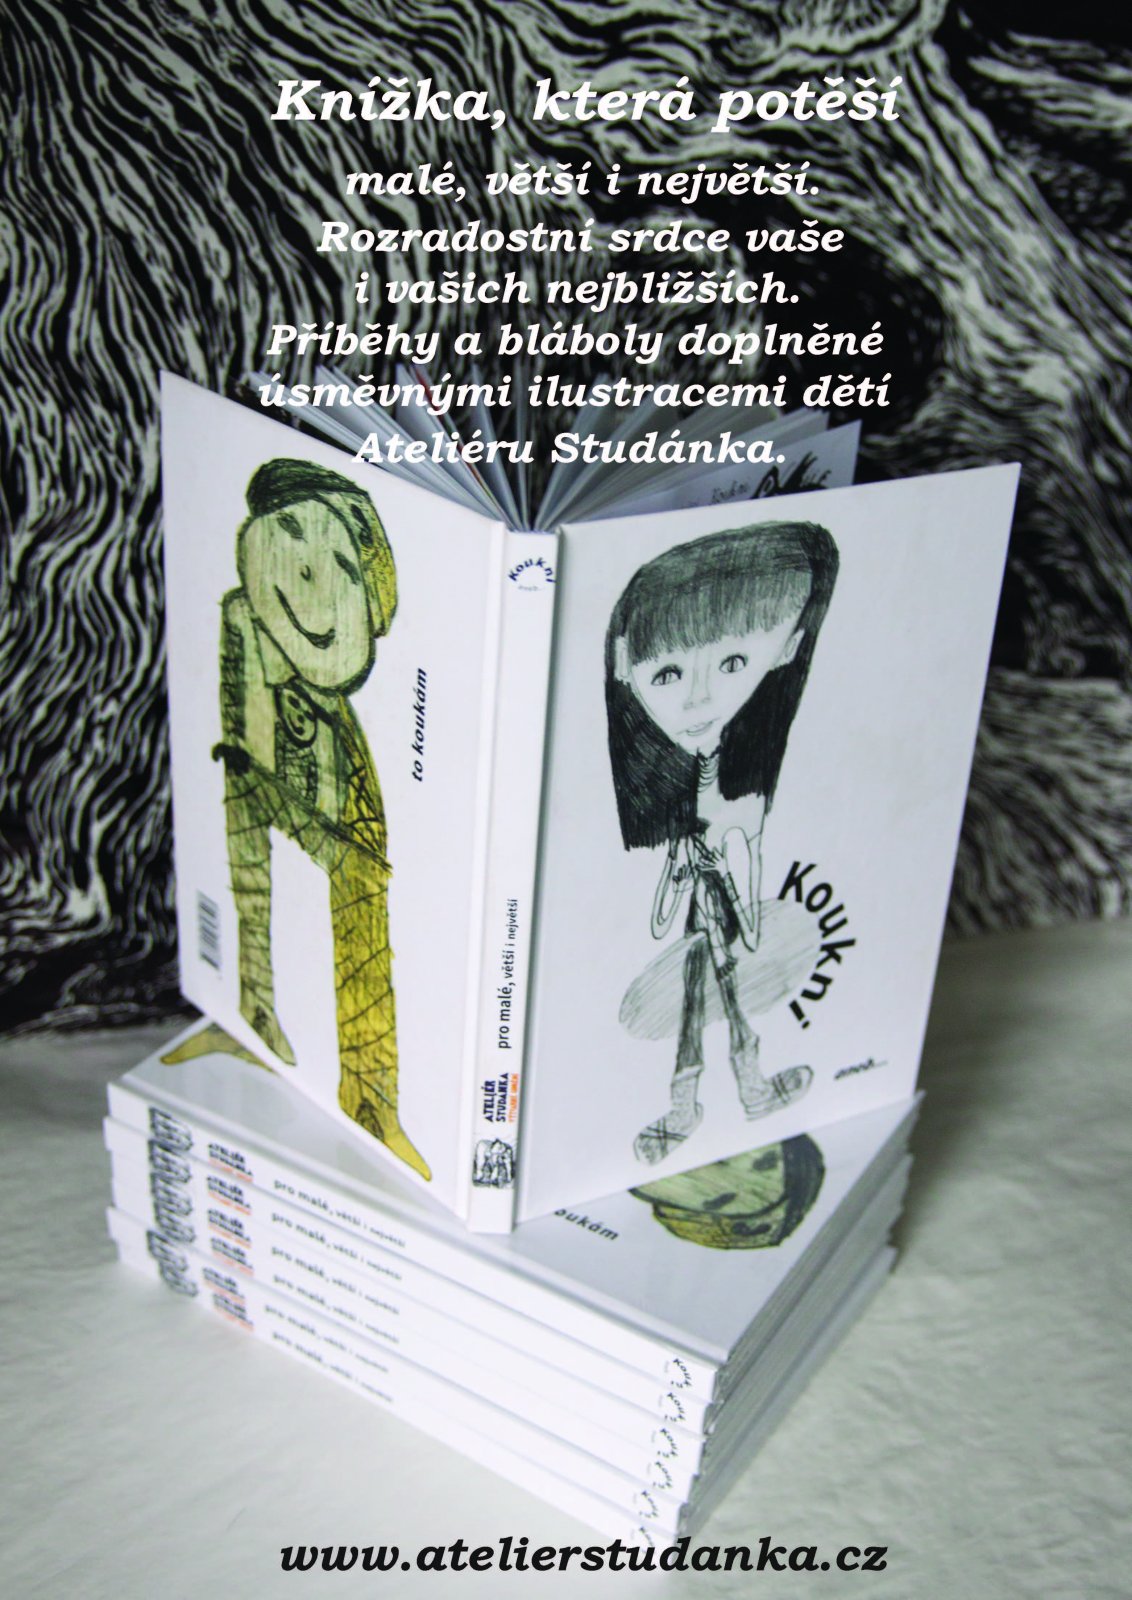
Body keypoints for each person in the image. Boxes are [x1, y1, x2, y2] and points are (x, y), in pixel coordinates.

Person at [212, 457, 430, 1180]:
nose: (308, 573)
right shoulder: (240, 619)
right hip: (256, 756)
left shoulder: (348, 764)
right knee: (246, 857)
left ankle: (370, 1100)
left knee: (359, 901)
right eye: (291, 537)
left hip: (329, 793)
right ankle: (249, 1011)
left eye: (340, 565)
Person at [606, 521, 838, 1164]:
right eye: (669, 673)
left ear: (787, 649)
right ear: (625, 664)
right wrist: (688, 871)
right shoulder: (674, 797)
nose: (700, 698)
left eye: (734, 664)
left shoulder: (742, 790)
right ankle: (712, 1097)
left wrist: (738, 916)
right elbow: (663, 913)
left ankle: (730, 1092)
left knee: (721, 992)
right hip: (699, 920)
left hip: (716, 918)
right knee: (703, 994)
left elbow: (746, 864)